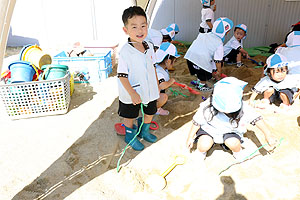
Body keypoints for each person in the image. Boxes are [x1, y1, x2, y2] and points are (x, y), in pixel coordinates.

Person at [186, 77, 277, 161]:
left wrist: (268, 134)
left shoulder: (244, 108)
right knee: (203, 145)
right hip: (210, 130)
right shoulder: (207, 107)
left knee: (233, 143)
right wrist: (190, 137)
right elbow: (197, 122)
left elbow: (257, 119)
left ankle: (238, 152)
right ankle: (201, 152)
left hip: (230, 131)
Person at [117, 6, 160, 151]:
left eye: (143, 26)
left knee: (150, 111)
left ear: (147, 26)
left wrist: (157, 85)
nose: (139, 31)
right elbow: (122, 76)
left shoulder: (150, 46)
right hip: (132, 91)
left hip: (150, 89)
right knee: (130, 115)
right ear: (126, 30)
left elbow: (153, 66)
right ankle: (130, 136)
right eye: (134, 27)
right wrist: (132, 93)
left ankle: (144, 131)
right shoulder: (125, 52)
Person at [185, 17, 233, 91]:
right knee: (205, 71)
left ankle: (198, 81)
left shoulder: (204, 34)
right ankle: (202, 85)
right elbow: (218, 60)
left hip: (190, 58)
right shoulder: (219, 43)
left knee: (199, 68)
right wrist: (218, 72)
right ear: (227, 32)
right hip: (201, 62)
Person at [155, 42, 180, 115]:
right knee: (164, 97)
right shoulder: (159, 71)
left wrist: (180, 85)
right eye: (174, 61)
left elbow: (167, 83)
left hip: (147, 96)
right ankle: (156, 109)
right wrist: (171, 81)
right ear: (168, 61)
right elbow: (162, 85)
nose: (174, 64)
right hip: (146, 100)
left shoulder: (161, 68)